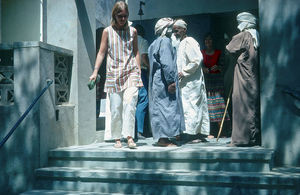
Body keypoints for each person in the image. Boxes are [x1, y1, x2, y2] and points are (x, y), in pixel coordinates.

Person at [89, 1, 142, 148]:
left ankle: (129, 137)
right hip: (113, 73)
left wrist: (138, 70)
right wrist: (95, 71)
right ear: (115, 15)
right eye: (120, 16)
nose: (123, 19)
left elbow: (136, 51)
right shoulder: (107, 31)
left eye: (125, 16)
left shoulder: (133, 32)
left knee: (130, 103)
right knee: (116, 107)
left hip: (131, 72)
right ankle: (117, 138)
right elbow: (101, 52)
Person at [148, 18, 185, 147]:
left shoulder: (154, 43)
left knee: (160, 109)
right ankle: (163, 139)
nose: (172, 31)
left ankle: (164, 137)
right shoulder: (165, 42)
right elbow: (167, 64)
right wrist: (170, 81)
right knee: (165, 109)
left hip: (157, 81)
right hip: (163, 81)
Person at [226, 12, 260, 147]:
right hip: (252, 77)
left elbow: (229, 48)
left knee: (241, 106)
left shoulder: (245, 35)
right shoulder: (255, 35)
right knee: (250, 107)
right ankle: (252, 138)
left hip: (243, 78)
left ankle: (241, 139)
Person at [172, 19, 210, 142]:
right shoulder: (179, 43)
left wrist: (184, 72)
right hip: (185, 83)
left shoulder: (189, 41)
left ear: (184, 30)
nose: (175, 33)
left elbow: (197, 59)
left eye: (177, 30)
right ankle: (191, 133)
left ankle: (195, 135)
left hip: (192, 82)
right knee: (188, 108)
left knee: (193, 107)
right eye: (174, 31)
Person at [201, 33, 230, 138]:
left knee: (220, 106)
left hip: (217, 83)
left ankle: (222, 132)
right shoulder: (202, 53)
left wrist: (218, 67)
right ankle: (210, 131)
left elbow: (223, 66)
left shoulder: (219, 53)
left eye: (210, 40)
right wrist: (203, 69)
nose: (208, 42)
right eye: (206, 40)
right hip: (207, 83)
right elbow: (199, 66)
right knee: (208, 107)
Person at [134, 24, 150, 139]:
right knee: (143, 99)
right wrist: (150, 67)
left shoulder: (129, 41)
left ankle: (133, 130)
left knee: (133, 100)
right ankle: (139, 131)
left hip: (130, 73)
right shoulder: (143, 41)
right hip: (141, 72)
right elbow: (144, 57)